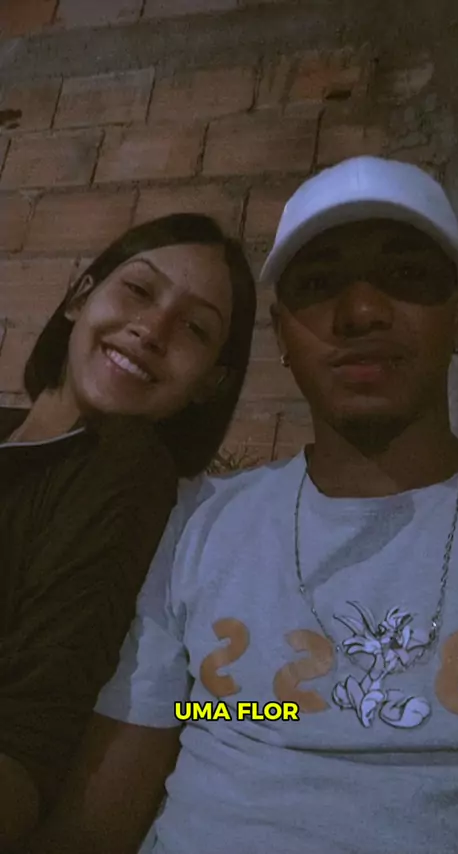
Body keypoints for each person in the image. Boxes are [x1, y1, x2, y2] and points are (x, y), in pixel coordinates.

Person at [27, 157, 458, 854]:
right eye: (320, 285)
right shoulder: (197, 522)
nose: (361, 312)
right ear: (283, 336)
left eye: (405, 274)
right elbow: (106, 808)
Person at [0, 213, 256, 852]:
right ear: (80, 296)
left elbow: (30, 736)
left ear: (211, 384)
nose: (152, 330)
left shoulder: (126, 474)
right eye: (139, 290)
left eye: (195, 329)